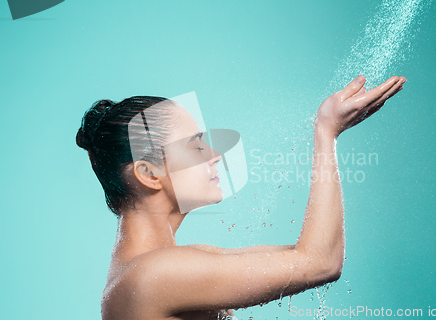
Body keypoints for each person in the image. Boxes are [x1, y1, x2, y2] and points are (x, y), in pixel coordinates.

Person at [76, 75, 405, 320]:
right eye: (196, 145)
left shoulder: (162, 266)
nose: (215, 154)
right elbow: (320, 262)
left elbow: (306, 255)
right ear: (149, 174)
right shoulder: (151, 276)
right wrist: (326, 133)